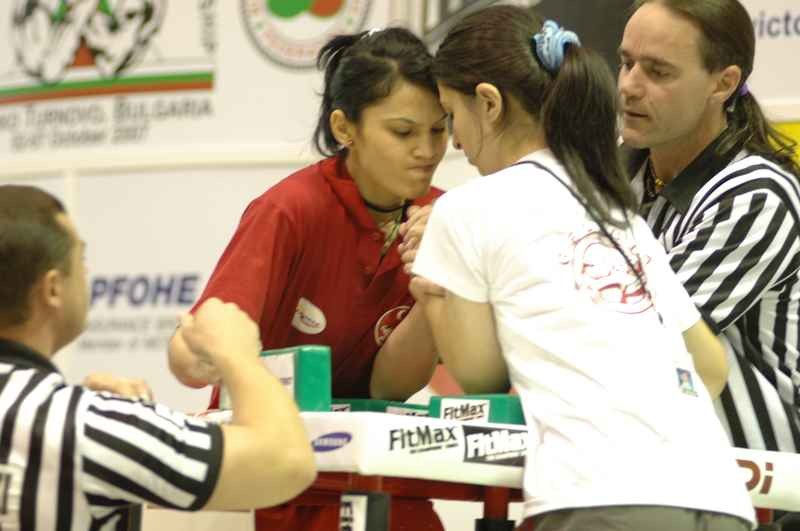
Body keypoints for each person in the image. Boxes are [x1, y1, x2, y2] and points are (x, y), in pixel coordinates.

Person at [410, 5, 755, 530]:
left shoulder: (465, 210)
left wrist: (434, 290)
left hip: (599, 496)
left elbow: (478, 375)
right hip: (720, 498)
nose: (454, 142)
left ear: (488, 103)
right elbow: (708, 366)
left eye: (451, 118)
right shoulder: (615, 211)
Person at [167, 27, 448, 531]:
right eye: (404, 132)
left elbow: (388, 386)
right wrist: (197, 354)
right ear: (345, 128)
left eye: (439, 129)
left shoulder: (445, 218)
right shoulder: (290, 210)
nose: (427, 150)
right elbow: (193, 355)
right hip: (265, 470)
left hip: (367, 469)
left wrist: (432, 288)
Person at [0, 185, 316, 531]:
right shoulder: (84, 426)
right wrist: (238, 356)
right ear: (53, 289)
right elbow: (287, 463)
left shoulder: (73, 420)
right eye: (80, 259)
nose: (88, 275)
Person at [618, 0, 800, 454]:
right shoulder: (621, 180)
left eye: (658, 72)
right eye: (625, 63)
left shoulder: (756, 194)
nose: (629, 86)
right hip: (652, 467)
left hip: (763, 496)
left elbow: (640, 340)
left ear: (724, 84)